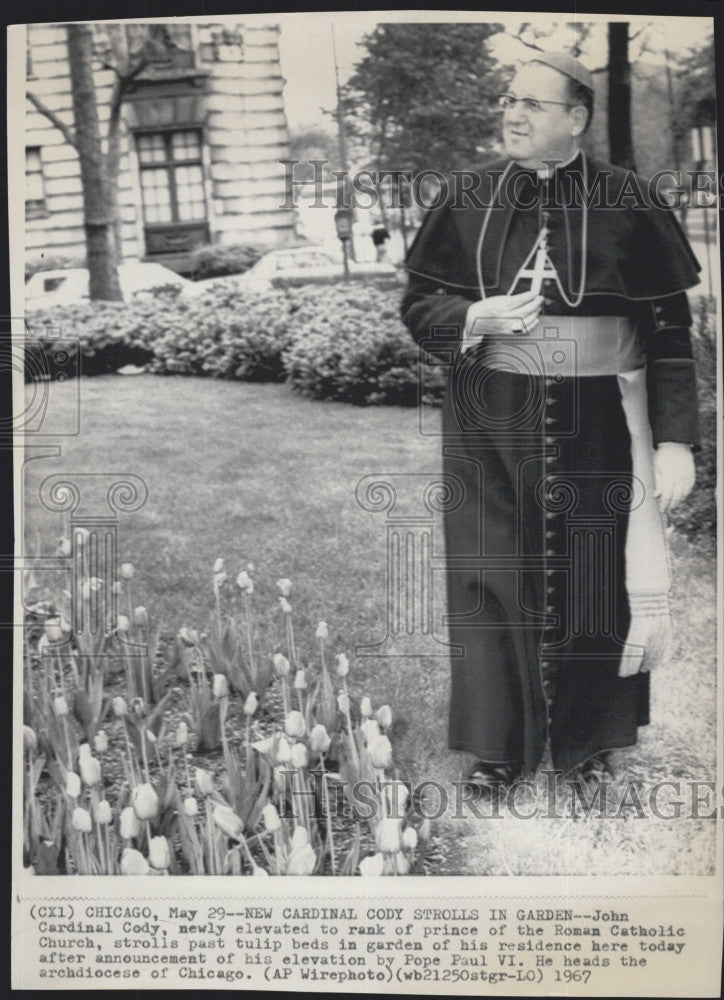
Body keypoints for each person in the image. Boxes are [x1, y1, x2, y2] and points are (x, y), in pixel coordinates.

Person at [400, 51, 701, 796]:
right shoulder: (466, 195)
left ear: (577, 118)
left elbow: (667, 330)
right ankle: (499, 747)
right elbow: (417, 306)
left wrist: (675, 440)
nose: (514, 113)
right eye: (509, 100)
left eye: (534, 104)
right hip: (489, 414)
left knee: (595, 572)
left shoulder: (630, 199)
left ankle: (590, 743)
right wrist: (474, 314)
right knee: (490, 572)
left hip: (600, 410)